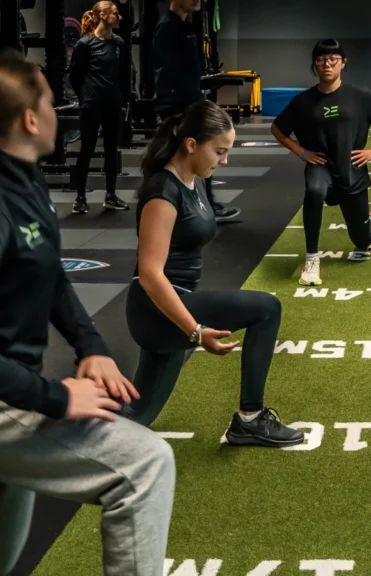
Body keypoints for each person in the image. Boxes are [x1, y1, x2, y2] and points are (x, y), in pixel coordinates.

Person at [0, 55, 175, 576]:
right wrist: (57, 397)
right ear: (30, 120)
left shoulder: (25, 181)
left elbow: (51, 278)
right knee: (143, 463)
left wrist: (92, 346)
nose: (60, 110)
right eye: (49, 100)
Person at [125, 100, 305, 447]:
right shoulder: (163, 191)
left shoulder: (196, 179)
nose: (224, 160)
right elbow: (149, 273)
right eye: (219, 151)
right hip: (156, 309)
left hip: (175, 304)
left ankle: (61, 440)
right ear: (191, 145)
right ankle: (250, 420)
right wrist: (194, 331)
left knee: (137, 418)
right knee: (267, 307)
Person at [271, 39, 371, 287]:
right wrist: (302, 152)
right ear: (314, 65)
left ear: (343, 63)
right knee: (314, 190)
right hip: (321, 166)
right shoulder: (303, 102)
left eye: (333, 60)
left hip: (352, 169)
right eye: (321, 60)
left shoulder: (359, 95)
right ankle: (312, 258)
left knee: (361, 240)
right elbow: (277, 129)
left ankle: (370, 225)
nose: (327, 65)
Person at [153, 0, 239, 223]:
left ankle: (205, 204)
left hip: (189, 99)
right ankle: (180, 206)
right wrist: (194, 100)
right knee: (185, 153)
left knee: (199, 151)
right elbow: (171, 69)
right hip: (177, 102)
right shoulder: (167, 27)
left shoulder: (185, 27)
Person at [69, 0, 130, 215]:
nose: (119, 17)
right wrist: (86, 96)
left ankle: (111, 196)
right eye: (115, 13)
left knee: (112, 150)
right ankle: (80, 198)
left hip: (113, 103)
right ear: (104, 16)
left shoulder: (119, 43)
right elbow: (75, 76)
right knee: (86, 149)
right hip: (92, 103)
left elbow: (123, 74)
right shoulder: (85, 45)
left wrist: (123, 98)